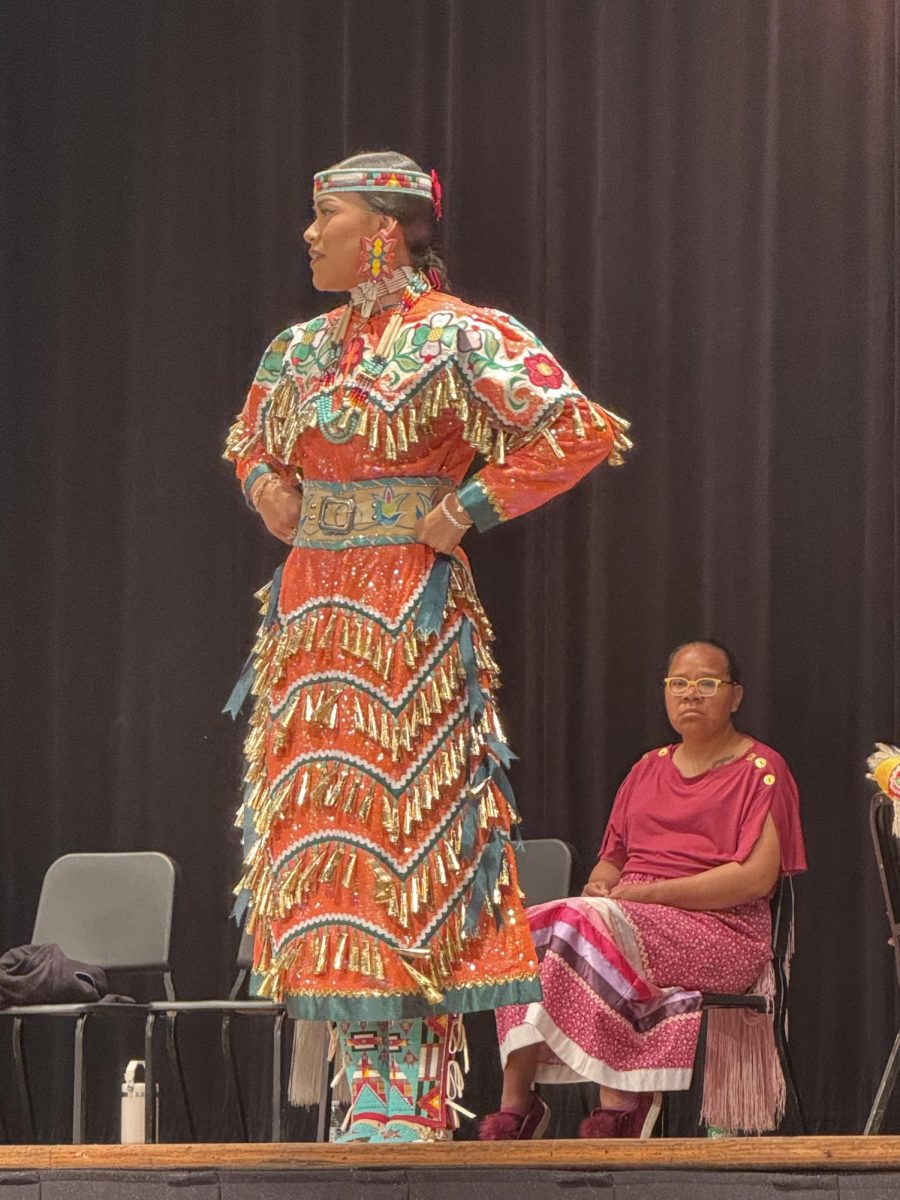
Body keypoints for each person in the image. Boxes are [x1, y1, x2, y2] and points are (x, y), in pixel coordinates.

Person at [222, 150, 632, 1142]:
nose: (309, 233)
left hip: (410, 613)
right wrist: (267, 487)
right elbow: (249, 440)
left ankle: (415, 1087)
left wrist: (474, 504)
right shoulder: (297, 348)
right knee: (324, 844)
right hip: (313, 621)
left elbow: (575, 430)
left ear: (387, 228)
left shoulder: (463, 338)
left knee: (415, 839)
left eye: (328, 214)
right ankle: (363, 1087)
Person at [480, 639, 807, 1140]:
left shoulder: (763, 770)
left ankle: (623, 1099)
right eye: (678, 684)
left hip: (722, 931)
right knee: (532, 926)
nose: (690, 695)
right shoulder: (647, 768)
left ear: (735, 696)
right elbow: (613, 858)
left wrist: (647, 895)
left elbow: (754, 879)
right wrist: (603, 882)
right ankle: (519, 1103)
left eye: (706, 684)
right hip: (631, 916)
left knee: (585, 924)